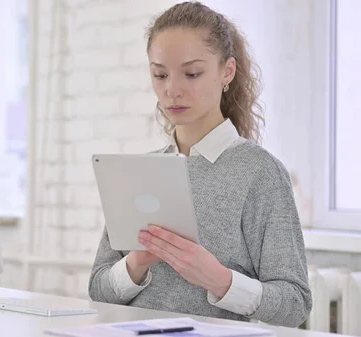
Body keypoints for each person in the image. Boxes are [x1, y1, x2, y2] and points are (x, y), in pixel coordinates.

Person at [88, 1, 312, 328]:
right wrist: (137, 264)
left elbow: (295, 305)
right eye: (159, 74)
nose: (172, 90)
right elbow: (97, 288)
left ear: (227, 72)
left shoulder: (260, 173)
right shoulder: (140, 172)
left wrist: (219, 280)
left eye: (192, 73)